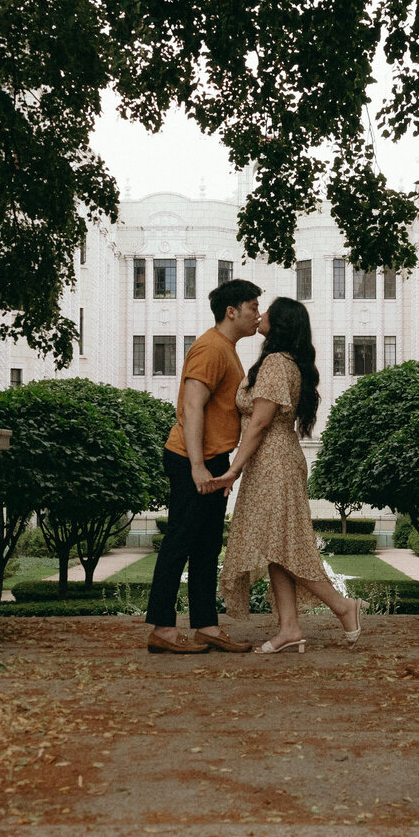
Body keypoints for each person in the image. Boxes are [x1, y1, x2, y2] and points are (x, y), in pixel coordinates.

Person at [212, 297, 364, 653]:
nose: (260, 314)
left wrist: (233, 469)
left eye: (267, 312)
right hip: (273, 460)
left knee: (287, 547)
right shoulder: (284, 362)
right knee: (276, 546)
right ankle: (290, 628)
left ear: (278, 324)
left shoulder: (277, 363)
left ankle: (344, 607)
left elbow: (261, 421)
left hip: (273, 461)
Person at [145, 277, 263, 654]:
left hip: (212, 458)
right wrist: (198, 465)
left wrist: (216, 463)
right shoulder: (210, 348)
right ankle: (162, 629)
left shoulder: (226, 348)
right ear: (232, 311)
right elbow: (192, 406)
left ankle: (206, 626)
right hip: (190, 459)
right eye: (252, 307)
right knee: (180, 542)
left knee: (207, 546)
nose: (257, 314)